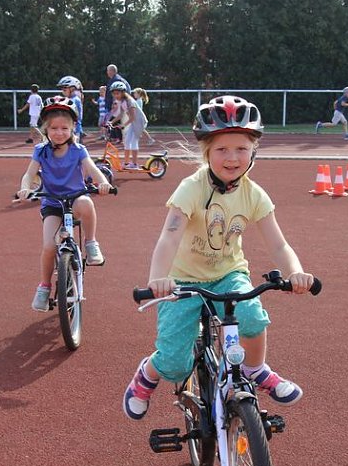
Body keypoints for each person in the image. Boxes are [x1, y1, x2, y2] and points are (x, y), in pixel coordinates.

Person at [122, 95, 314, 421]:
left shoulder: (254, 194)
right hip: (183, 279)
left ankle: (255, 368)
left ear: (253, 151)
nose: (232, 157)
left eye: (241, 148)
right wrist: (158, 280)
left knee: (252, 317)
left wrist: (295, 273)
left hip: (229, 273)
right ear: (206, 152)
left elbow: (279, 245)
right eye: (222, 149)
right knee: (174, 364)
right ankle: (147, 375)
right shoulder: (191, 188)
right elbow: (169, 236)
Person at [15, 96, 113, 312]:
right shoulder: (41, 150)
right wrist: (25, 188)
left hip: (75, 198)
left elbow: (92, 169)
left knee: (87, 204)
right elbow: (29, 174)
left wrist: (103, 183)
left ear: (73, 128)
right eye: (54, 128)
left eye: (64, 128)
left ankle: (91, 243)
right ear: (46, 129)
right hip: (52, 203)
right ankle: (44, 286)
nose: (59, 132)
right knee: (49, 246)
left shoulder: (78, 150)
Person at [108, 81, 148, 169]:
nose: (115, 96)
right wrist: (112, 122)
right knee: (126, 141)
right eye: (114, 94)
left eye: (117, 93)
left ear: (123, 93)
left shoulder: (130, 101)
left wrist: (123, 125)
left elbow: (133, 117)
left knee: (133, 142)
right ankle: (126, 163)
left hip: (139, 122)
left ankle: (134, 164)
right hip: (134, 122)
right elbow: (121, 114)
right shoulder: (122, 102)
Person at [56, 76, 83, 143]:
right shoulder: (69, 99)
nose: (63, 92)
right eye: (62, 89)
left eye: (65, 89)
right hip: (69, 130)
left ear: (72, 89)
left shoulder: (75, 100)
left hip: (74, 131)